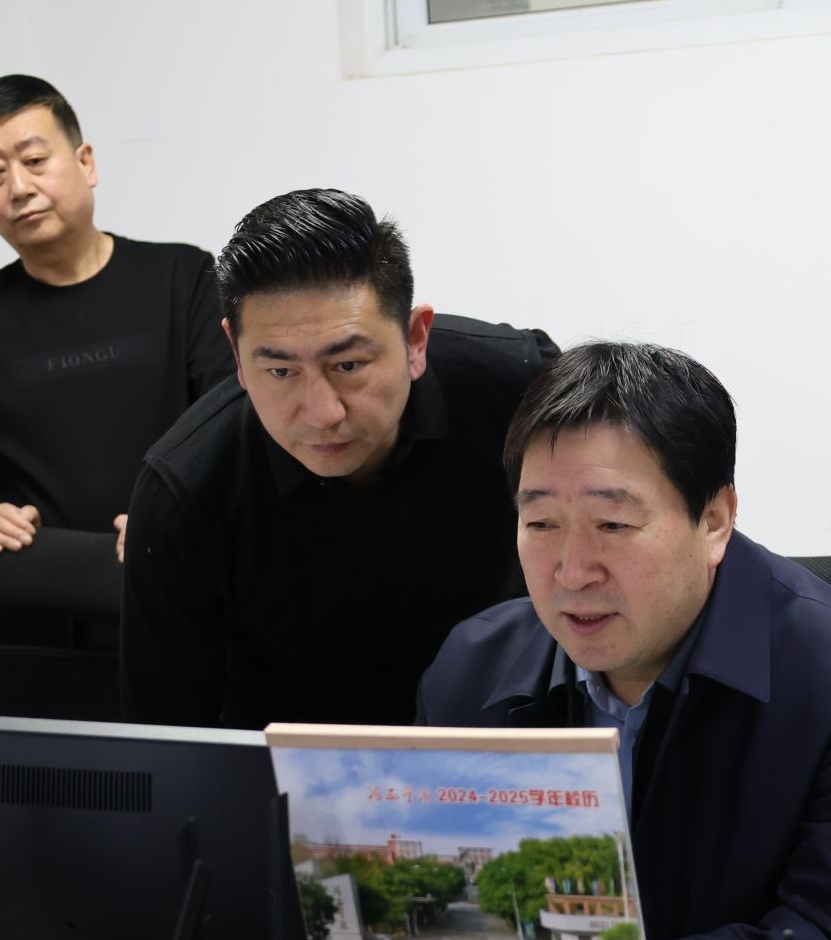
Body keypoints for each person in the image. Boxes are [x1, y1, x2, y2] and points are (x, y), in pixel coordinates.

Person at [418, 342, 831, 940]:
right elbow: (447, 914)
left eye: (612, 525)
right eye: (541, 524)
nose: (572, 571)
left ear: (714, 520)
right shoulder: (471, 668)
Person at [122, 188, 557, 729]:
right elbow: (169, 739)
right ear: (236, 352)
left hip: (510, 736)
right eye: (280, 371)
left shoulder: (520, 389)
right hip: (289, 764)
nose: (322, 413)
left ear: (415, 338)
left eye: (348, 365)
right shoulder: (185, 491)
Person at [0, 75, 229, 646]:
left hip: (183, 608)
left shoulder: (183, 279)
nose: (18, 188)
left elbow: (232, 432)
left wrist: (177, 516)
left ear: (85, 163)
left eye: (35, 160)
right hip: (39, 628)